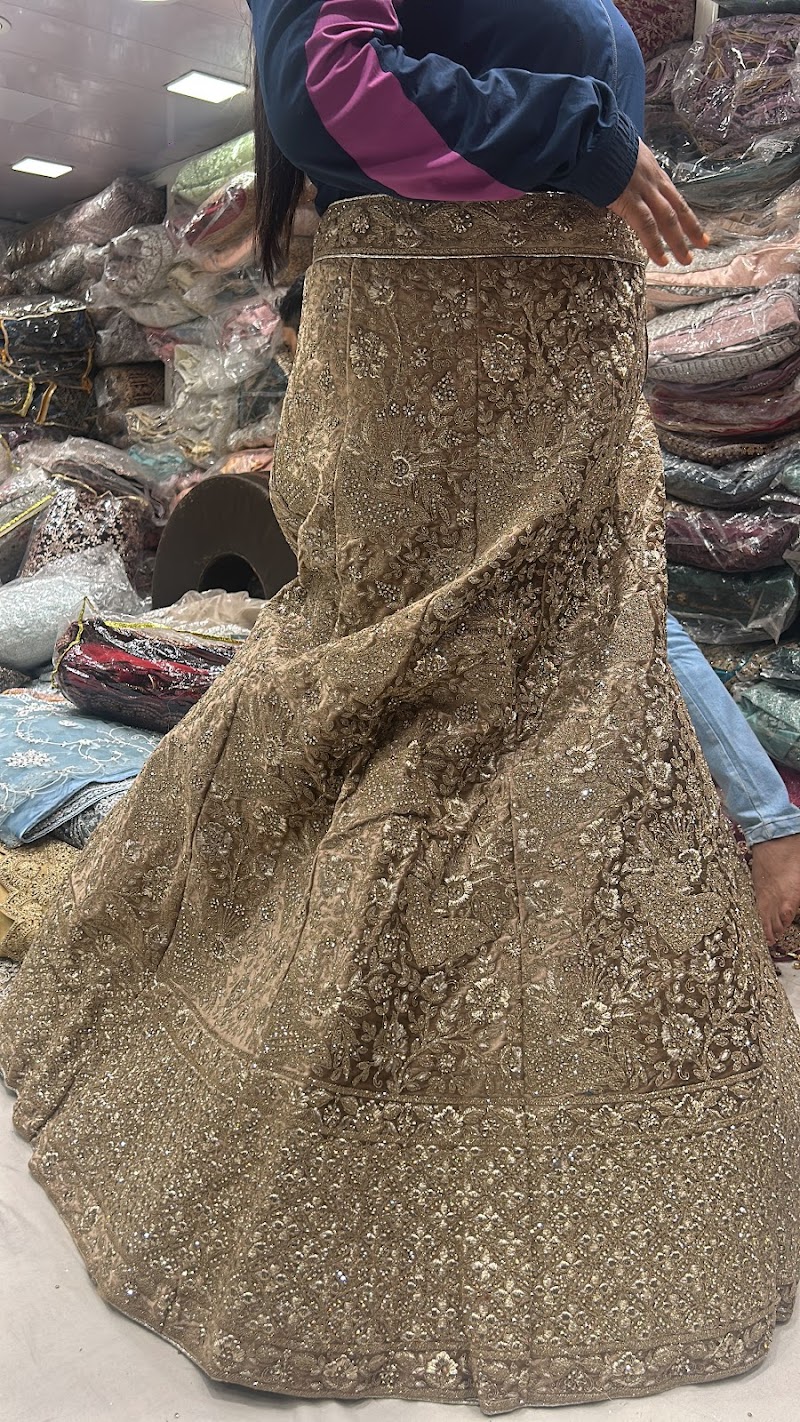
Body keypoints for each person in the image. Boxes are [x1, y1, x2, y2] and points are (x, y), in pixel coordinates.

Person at [2, 1, 799, 1412]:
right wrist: (585, 138)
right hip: (456, 337)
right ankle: (305, 1138)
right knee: (418, 690)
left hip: (541, 321)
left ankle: (559, 1115)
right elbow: (324, 81)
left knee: (560, 681)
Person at [279, 271, 800, 946]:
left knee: (631, 621)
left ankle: (770, 829)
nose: (296, 368)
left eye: (298, 348)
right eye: (289, 355)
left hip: (537, 489)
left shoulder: (432, 381)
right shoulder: (371, 402)